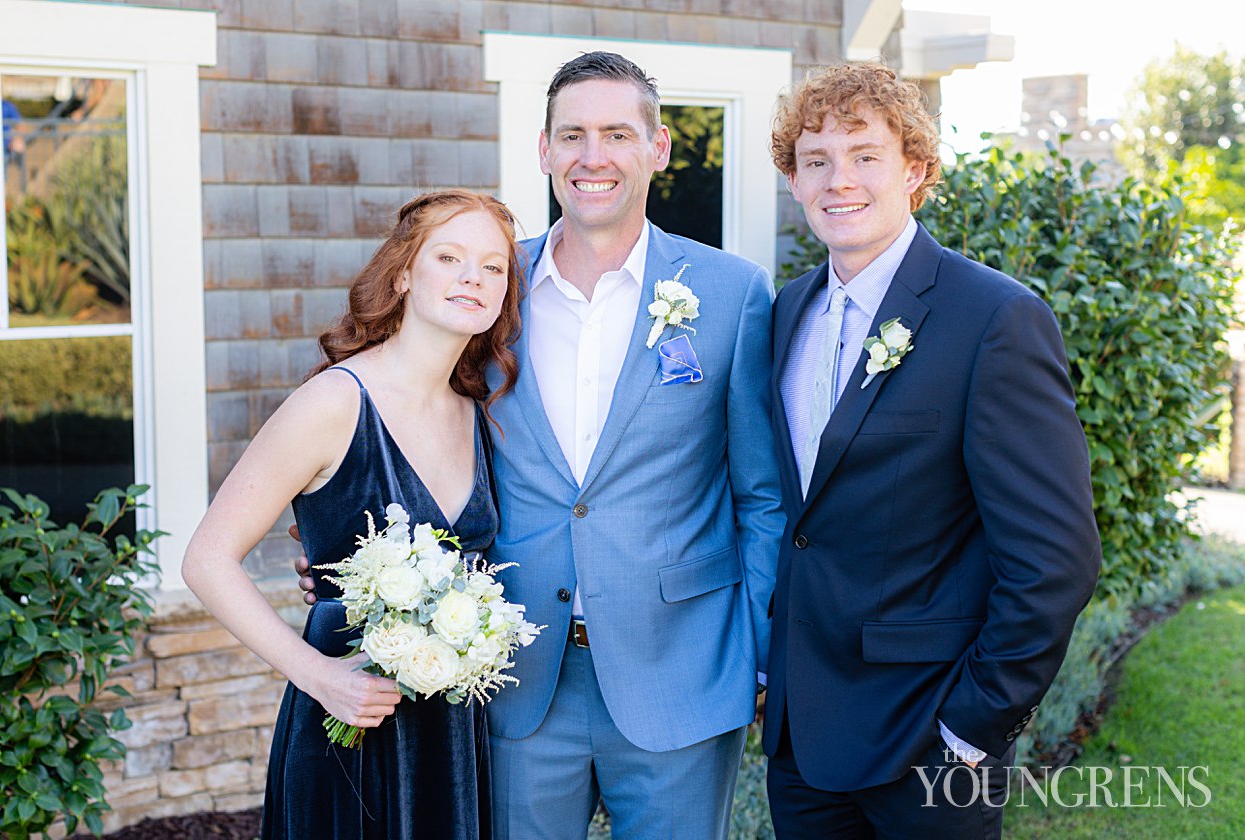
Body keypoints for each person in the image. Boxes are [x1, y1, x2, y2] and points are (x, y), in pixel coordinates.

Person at [293, 51, 782, 838]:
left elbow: (761, 494)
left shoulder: (732, 292)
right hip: (514, 678)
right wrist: (340, 539)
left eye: (618, 134)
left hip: (683, 671)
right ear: (545, 150)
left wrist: (757, 655)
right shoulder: (491, 287)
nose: (594, 157)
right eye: (573, 135)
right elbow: (409, 413)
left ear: (657, 149)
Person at [762, 62, 1102, 839]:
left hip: (929, 741)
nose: (838, 180)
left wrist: (975, 727)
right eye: (816, 161)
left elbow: (1056, 558)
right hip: (800, 742)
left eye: (865, 155)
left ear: (915, 169)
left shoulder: (994, 319)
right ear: (794, 180)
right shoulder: (790, 312)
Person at [183, 189, 524, 840]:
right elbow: (206, 559)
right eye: (449, 257)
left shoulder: (476, 412)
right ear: (402, 273)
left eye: (492, 267)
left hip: (450, 736)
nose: (472, 279)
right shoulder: (335, 404)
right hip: (350, 725)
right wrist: (320, 678)